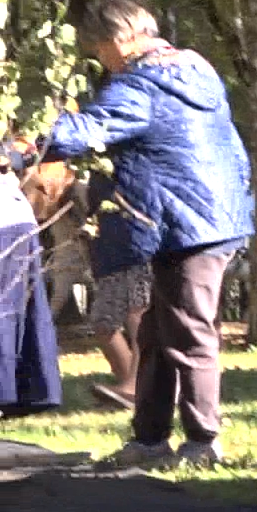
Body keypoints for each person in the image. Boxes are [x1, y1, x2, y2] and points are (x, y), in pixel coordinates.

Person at [41, 0, 253, 463]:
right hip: (210, 218)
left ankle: (203, 442)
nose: (101, 61)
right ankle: (150, 439)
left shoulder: (141, 85)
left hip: (185, 222)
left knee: (192, 333)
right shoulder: (196, 75)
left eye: (99, 49)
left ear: (121, 39)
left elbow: (87, 130)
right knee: (158, 332)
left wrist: (29, 144)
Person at [0, 145, 60, 419]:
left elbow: (14, 156)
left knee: (8, 312)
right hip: (15, 221)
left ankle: (8, 394)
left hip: (6, 225)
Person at [84, 176, 152, 411]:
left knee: (138, 312)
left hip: (139, 242)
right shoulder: (96, 161)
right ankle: (130, 391)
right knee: (103, 321)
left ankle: (138, 388)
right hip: (107, 248)